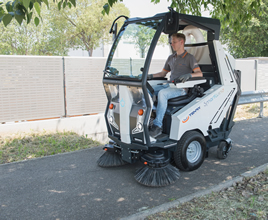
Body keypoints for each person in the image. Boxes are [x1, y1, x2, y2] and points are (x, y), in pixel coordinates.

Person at [148, 33, 203, 138]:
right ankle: (150, 117)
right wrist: (149, 76)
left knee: (162, 94)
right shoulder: (171, 58)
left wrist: (189, 75)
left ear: (181, 42)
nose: (171, 44)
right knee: (146, 89)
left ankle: (157, 126)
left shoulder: (189, 58)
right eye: (171, 42)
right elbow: (162, 74)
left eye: (174, 42)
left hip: (180, 88)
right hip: (169, 85)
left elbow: (200, 74)